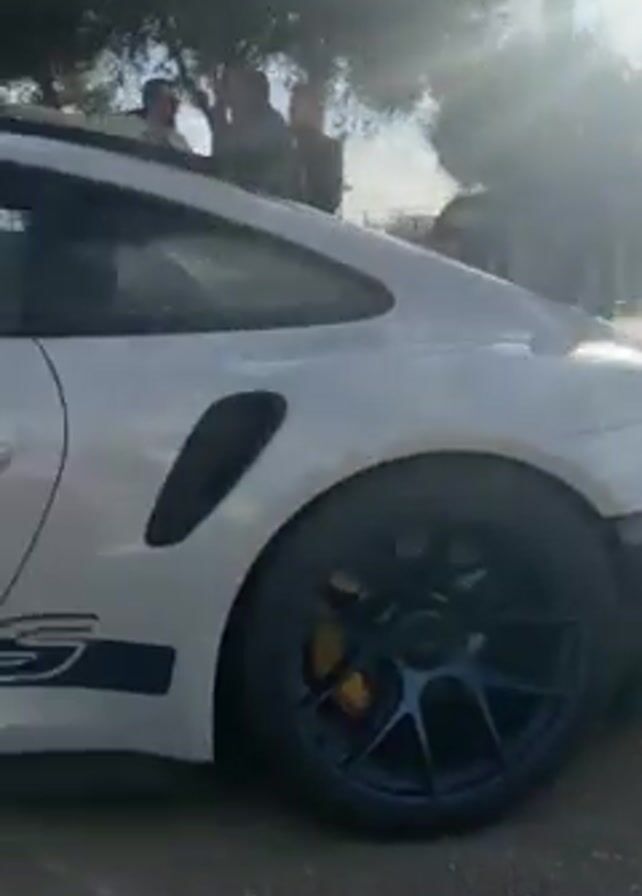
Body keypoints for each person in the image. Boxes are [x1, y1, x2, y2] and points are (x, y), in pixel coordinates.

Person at [208, 65, 294, 197]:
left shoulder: (270, 125)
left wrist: (220, 116)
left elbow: (231, 164)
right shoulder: (240, 125)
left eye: (235, 89)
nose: (228, 96)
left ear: (252, 93)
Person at [289, 83, 343, 214]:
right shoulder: (281, 138)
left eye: (298, 106)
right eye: (292, 106)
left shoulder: (329, 149)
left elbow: (329, 198)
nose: (291, 111)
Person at [137, 78, 190, 153]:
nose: (174, 104)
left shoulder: (179, 141)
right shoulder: (133, 136)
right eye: (167, 99)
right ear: (150, 102)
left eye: (173, 100)